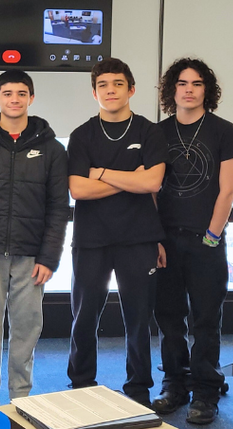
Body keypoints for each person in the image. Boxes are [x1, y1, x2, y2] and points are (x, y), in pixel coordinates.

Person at [0, 70, 68, 409]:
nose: (15, 99)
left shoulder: (52, 149)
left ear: (31, 98)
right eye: (8, 93)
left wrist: (49, 258)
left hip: (32, 258)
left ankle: (21, 397)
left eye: (22, 93)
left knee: (26, 331)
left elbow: (58, 207)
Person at [66, 58, 167, 407]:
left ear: (131, 90)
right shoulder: (82, 135)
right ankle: (81, 385)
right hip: (91, 239)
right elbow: (78, 189)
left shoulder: (149, 132)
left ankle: (139, 389)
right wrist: (129, 179)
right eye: (104, 85)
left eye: (118, 84)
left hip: (138, 238)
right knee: (84, 316)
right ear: (94, 92)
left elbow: (152, 181)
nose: (110, 90)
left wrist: (102, 173)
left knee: (138, 318)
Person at [151, 58, 233, 425]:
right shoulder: (158, 133)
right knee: (169, 318)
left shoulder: (223, 131)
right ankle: (174, 385)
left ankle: (206, 390)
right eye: (182, 83)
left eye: (197, 83)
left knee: (206, 319)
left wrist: (213, 235)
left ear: (208, 90)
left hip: (207, 240)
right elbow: (151, 190)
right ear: (172, 90)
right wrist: (155, 237)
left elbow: (228, 188)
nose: (189, 89)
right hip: (166, 241)